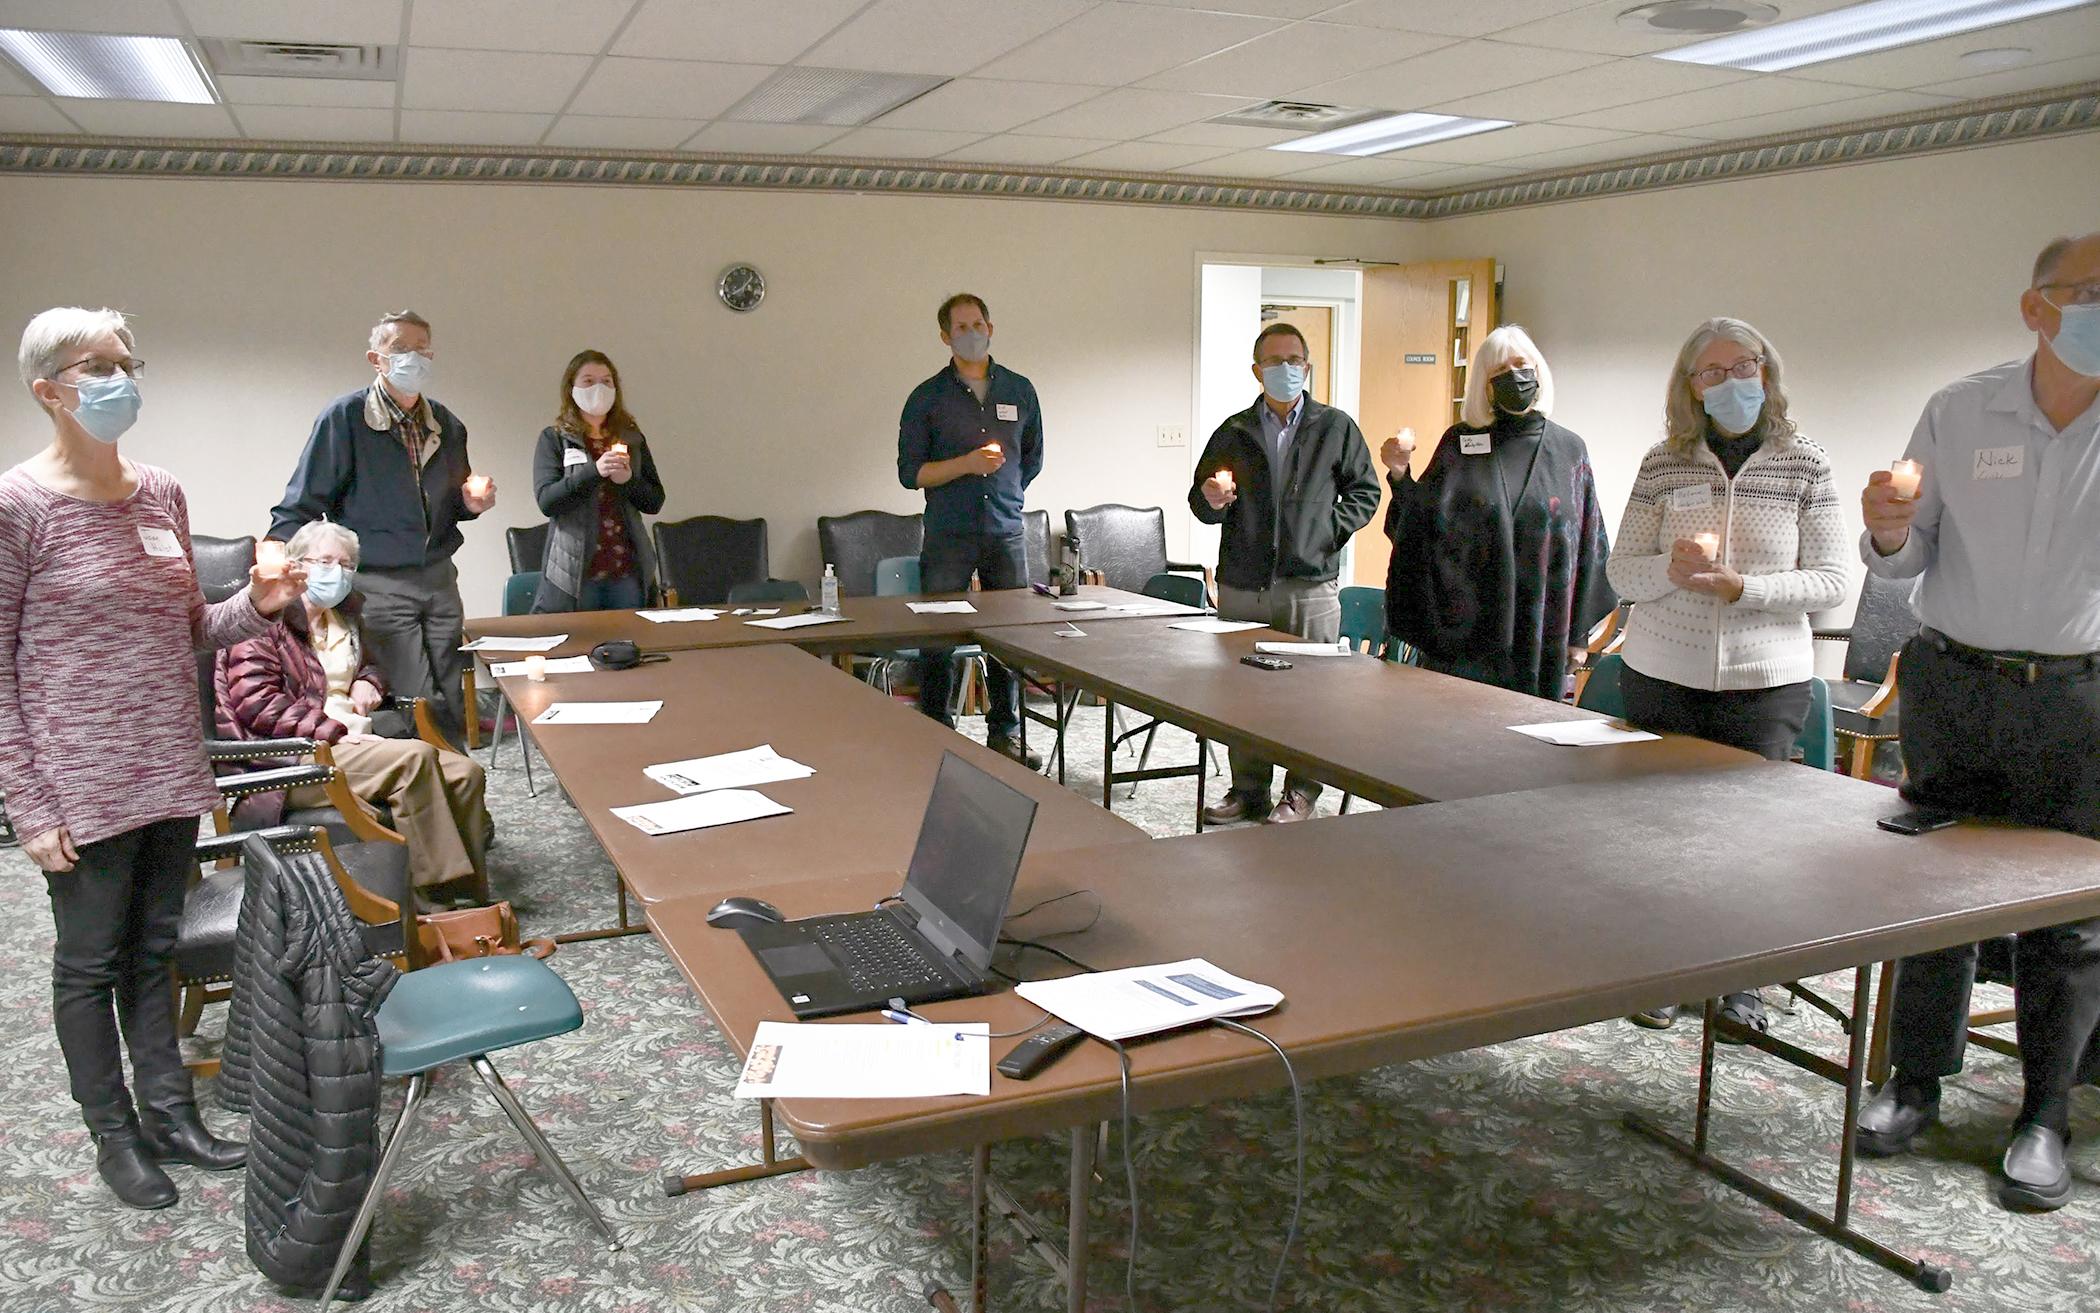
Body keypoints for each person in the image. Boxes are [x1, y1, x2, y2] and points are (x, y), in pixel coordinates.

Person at [0, 306, 305, 1208]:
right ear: (48, 388)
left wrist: (259, 601)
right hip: (79, 778)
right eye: (97, 365)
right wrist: (28, 802)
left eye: (127, 361)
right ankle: (115, 1133)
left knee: (155, 949)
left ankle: (170, 1111)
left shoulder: (161, 491)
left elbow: (197, 632)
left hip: (169, 764)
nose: (119, 378)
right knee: (90, 962)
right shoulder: (18, 505)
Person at [1852, 232, 2100, 1213]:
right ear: (2036, 307)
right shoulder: (1960, 411)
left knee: (2068, 916)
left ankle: (2042, 1114)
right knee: (1937, 898)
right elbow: (1906, 557)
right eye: (2089, 290)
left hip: (2081, 699)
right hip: (1957, 683)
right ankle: (1913, 1082)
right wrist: (1883, 526)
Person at [1606, 318, 1850, 1035]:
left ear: (1766, 373)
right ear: (1691, 388)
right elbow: (1622, 569)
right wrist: (1668, 570)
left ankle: (1740, 982)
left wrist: (1747, 588)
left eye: (1742, 366)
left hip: (1763, 679)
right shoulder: (1664, 463)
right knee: (1659, 833)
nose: (1730, 382)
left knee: (1746, 841)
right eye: (1711, 373)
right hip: (1662, 669)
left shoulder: (1805, 463)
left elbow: (1833, 579)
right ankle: (1664, 969)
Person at [216, 521, 493, 900]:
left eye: (346, 564)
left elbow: (368, 665)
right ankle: (430, 900)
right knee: (413, 759)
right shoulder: (263, 622)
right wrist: (335, 730)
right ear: (297, 565)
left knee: (465, 771)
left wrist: (370, 680)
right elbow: (258, 705)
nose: (338, 572)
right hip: (289, 758)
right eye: (325, 561)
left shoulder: (343, 615)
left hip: (353, 739)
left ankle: (470, 897)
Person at [268, 310, 495, 747]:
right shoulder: (346, 418)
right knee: (415, 696)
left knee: (451, 688)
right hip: (380, 581)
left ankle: (458, 784)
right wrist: (276, 550)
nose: (415, 358)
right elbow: (304, 499)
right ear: (377, 358)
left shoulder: (446, 425)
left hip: (439, 577)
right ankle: (425, 786)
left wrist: (471, 505)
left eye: (422, 349)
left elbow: (452, 505)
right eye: (401, 349)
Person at [1190, 322, 1381, 826]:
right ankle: (1248, 789)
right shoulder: (1233, 431)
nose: (1286, 370)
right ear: (1257, 371)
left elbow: (1366, 493)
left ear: (1308, 366)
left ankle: (1300, 794)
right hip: (1242, 584)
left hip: (1309, 586)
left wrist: (1325, 531)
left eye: (1294, 360)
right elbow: (1200, 500)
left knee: (1309, 698)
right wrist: (1211, 499)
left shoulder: (1335, 427)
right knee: (1243, 695)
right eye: (1274, 362)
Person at [1383, 325, 1616, 701]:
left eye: (1522, 365)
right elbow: (1417, 531)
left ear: (1538, 371)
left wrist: (1578, 636)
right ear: (1485, 385)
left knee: (1528, 747)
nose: (1514, 376)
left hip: (1542, 636)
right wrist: (1399, 474)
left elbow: (1589, 545)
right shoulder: (1459, 444)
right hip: (1465, 640)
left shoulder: (1570, 450)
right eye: (1499, 372)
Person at [897, 293, 1044, 768]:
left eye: (978, 324)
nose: (971, 333)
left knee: (1008, 636)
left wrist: (1002, 489)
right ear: (945, 337)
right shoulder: (927, 397)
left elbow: (1031, 460)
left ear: (992, 328)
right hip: (948, 532)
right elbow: (911, 473)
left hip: (1005, 529)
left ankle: (1006, 732)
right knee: (938, 633)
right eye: (960, 327)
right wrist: (966, 466)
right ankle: (936, 727)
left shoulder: (1020, 390)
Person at [531, 349, 666, 612]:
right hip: (576, 572)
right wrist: (594, 471)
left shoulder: (632, 438)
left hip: (626, 568)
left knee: (628, 644)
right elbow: (547, 501)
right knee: (580, 646)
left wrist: (627, 480)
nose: (599, 388)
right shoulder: (555, 438)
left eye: (606, 381)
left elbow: (654, 501)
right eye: (589, 381)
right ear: (572, 388)